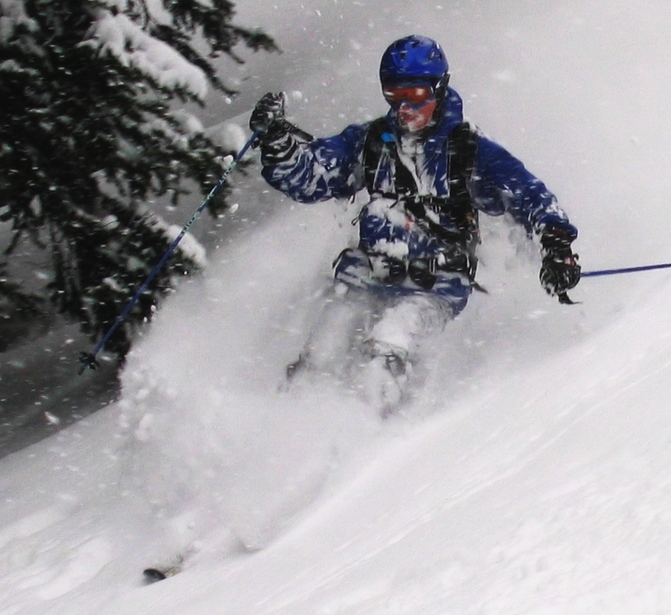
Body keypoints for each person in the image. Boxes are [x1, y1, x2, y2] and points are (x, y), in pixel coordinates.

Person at [249, 34, 581, 412]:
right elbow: (313, 179)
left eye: (416, 95)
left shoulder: (469, 151)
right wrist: (279, 144)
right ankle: (287, 424)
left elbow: (529, 196)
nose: (405, 107)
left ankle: (368, 440)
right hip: (368, 272)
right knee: (323, 350)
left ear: (439, 89)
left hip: (435, 284)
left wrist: (556, 246)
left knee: (387, 347)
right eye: (394, 94)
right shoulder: (371, 141)